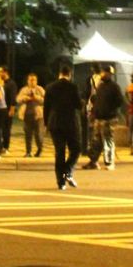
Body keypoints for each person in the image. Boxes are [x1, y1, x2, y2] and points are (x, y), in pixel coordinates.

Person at [44, 63, 81, 191]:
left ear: (59, 74)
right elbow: (78, 105)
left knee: (59, 152)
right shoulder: (73, 87)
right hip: (70, 123)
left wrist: (46, 124)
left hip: (55, 123)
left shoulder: (50, 87)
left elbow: (46, 107)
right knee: (76, 149)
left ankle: (61, 182)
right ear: (69, 74)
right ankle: (67, 171)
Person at [83, 64, 123, 170]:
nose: (104, 74)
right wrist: (94, 113)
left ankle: (109, 163)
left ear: (110, 74)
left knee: (108, 140)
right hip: (99, 118)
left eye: (106, 73)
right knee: (96, 141)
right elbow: (97, 101)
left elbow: (120, 101)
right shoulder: (101, 86)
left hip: (109, 118)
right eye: (103, 72)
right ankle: (93, 161)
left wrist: (110, 109)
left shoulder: (114, 87)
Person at [16, 73, 45, 157]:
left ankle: (40, 149)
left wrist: (36, 97)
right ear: (27, 81)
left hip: (38, 116)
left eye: (34, 80)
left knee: (38, 134)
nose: (32, 82)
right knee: (28, 134)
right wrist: (25, 98)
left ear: (36, 81)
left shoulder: (40, 89)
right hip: (27, 115)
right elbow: (18, 99)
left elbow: (45, 100)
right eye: (30, 80)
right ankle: (28, 152)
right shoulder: (24, 90)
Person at [0, 65, 18, 155]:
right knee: (1, 128)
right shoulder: (1, 83)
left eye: (0, 71)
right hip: (1, 109)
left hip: (7, 109)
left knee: (6, 129)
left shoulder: (11, 84)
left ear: (5, 72)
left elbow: (13, 98)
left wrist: (12, 109)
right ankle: (1, 146)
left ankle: (6, 147)